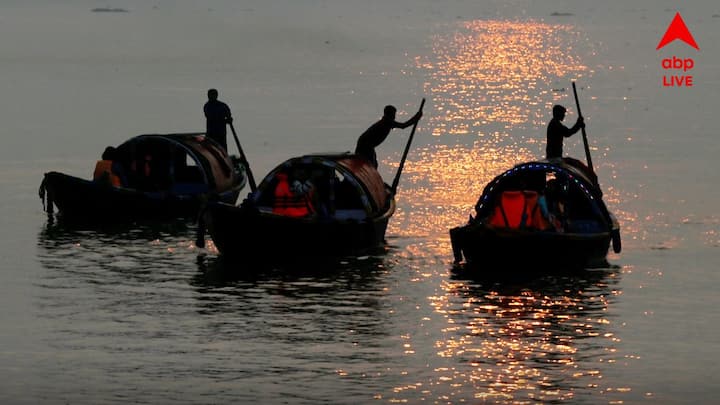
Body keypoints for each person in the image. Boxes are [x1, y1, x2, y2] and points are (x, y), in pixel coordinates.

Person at [355, 105, 422, 168]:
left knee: (374, 164)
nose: (394, 117)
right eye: (393, 114)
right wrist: (416, 117)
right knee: (370, 164)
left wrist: (416, 118)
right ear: (388, 114)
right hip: (365, 144)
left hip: (367, 144)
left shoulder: (387, 121)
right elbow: (403, 126)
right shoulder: (387, 122)